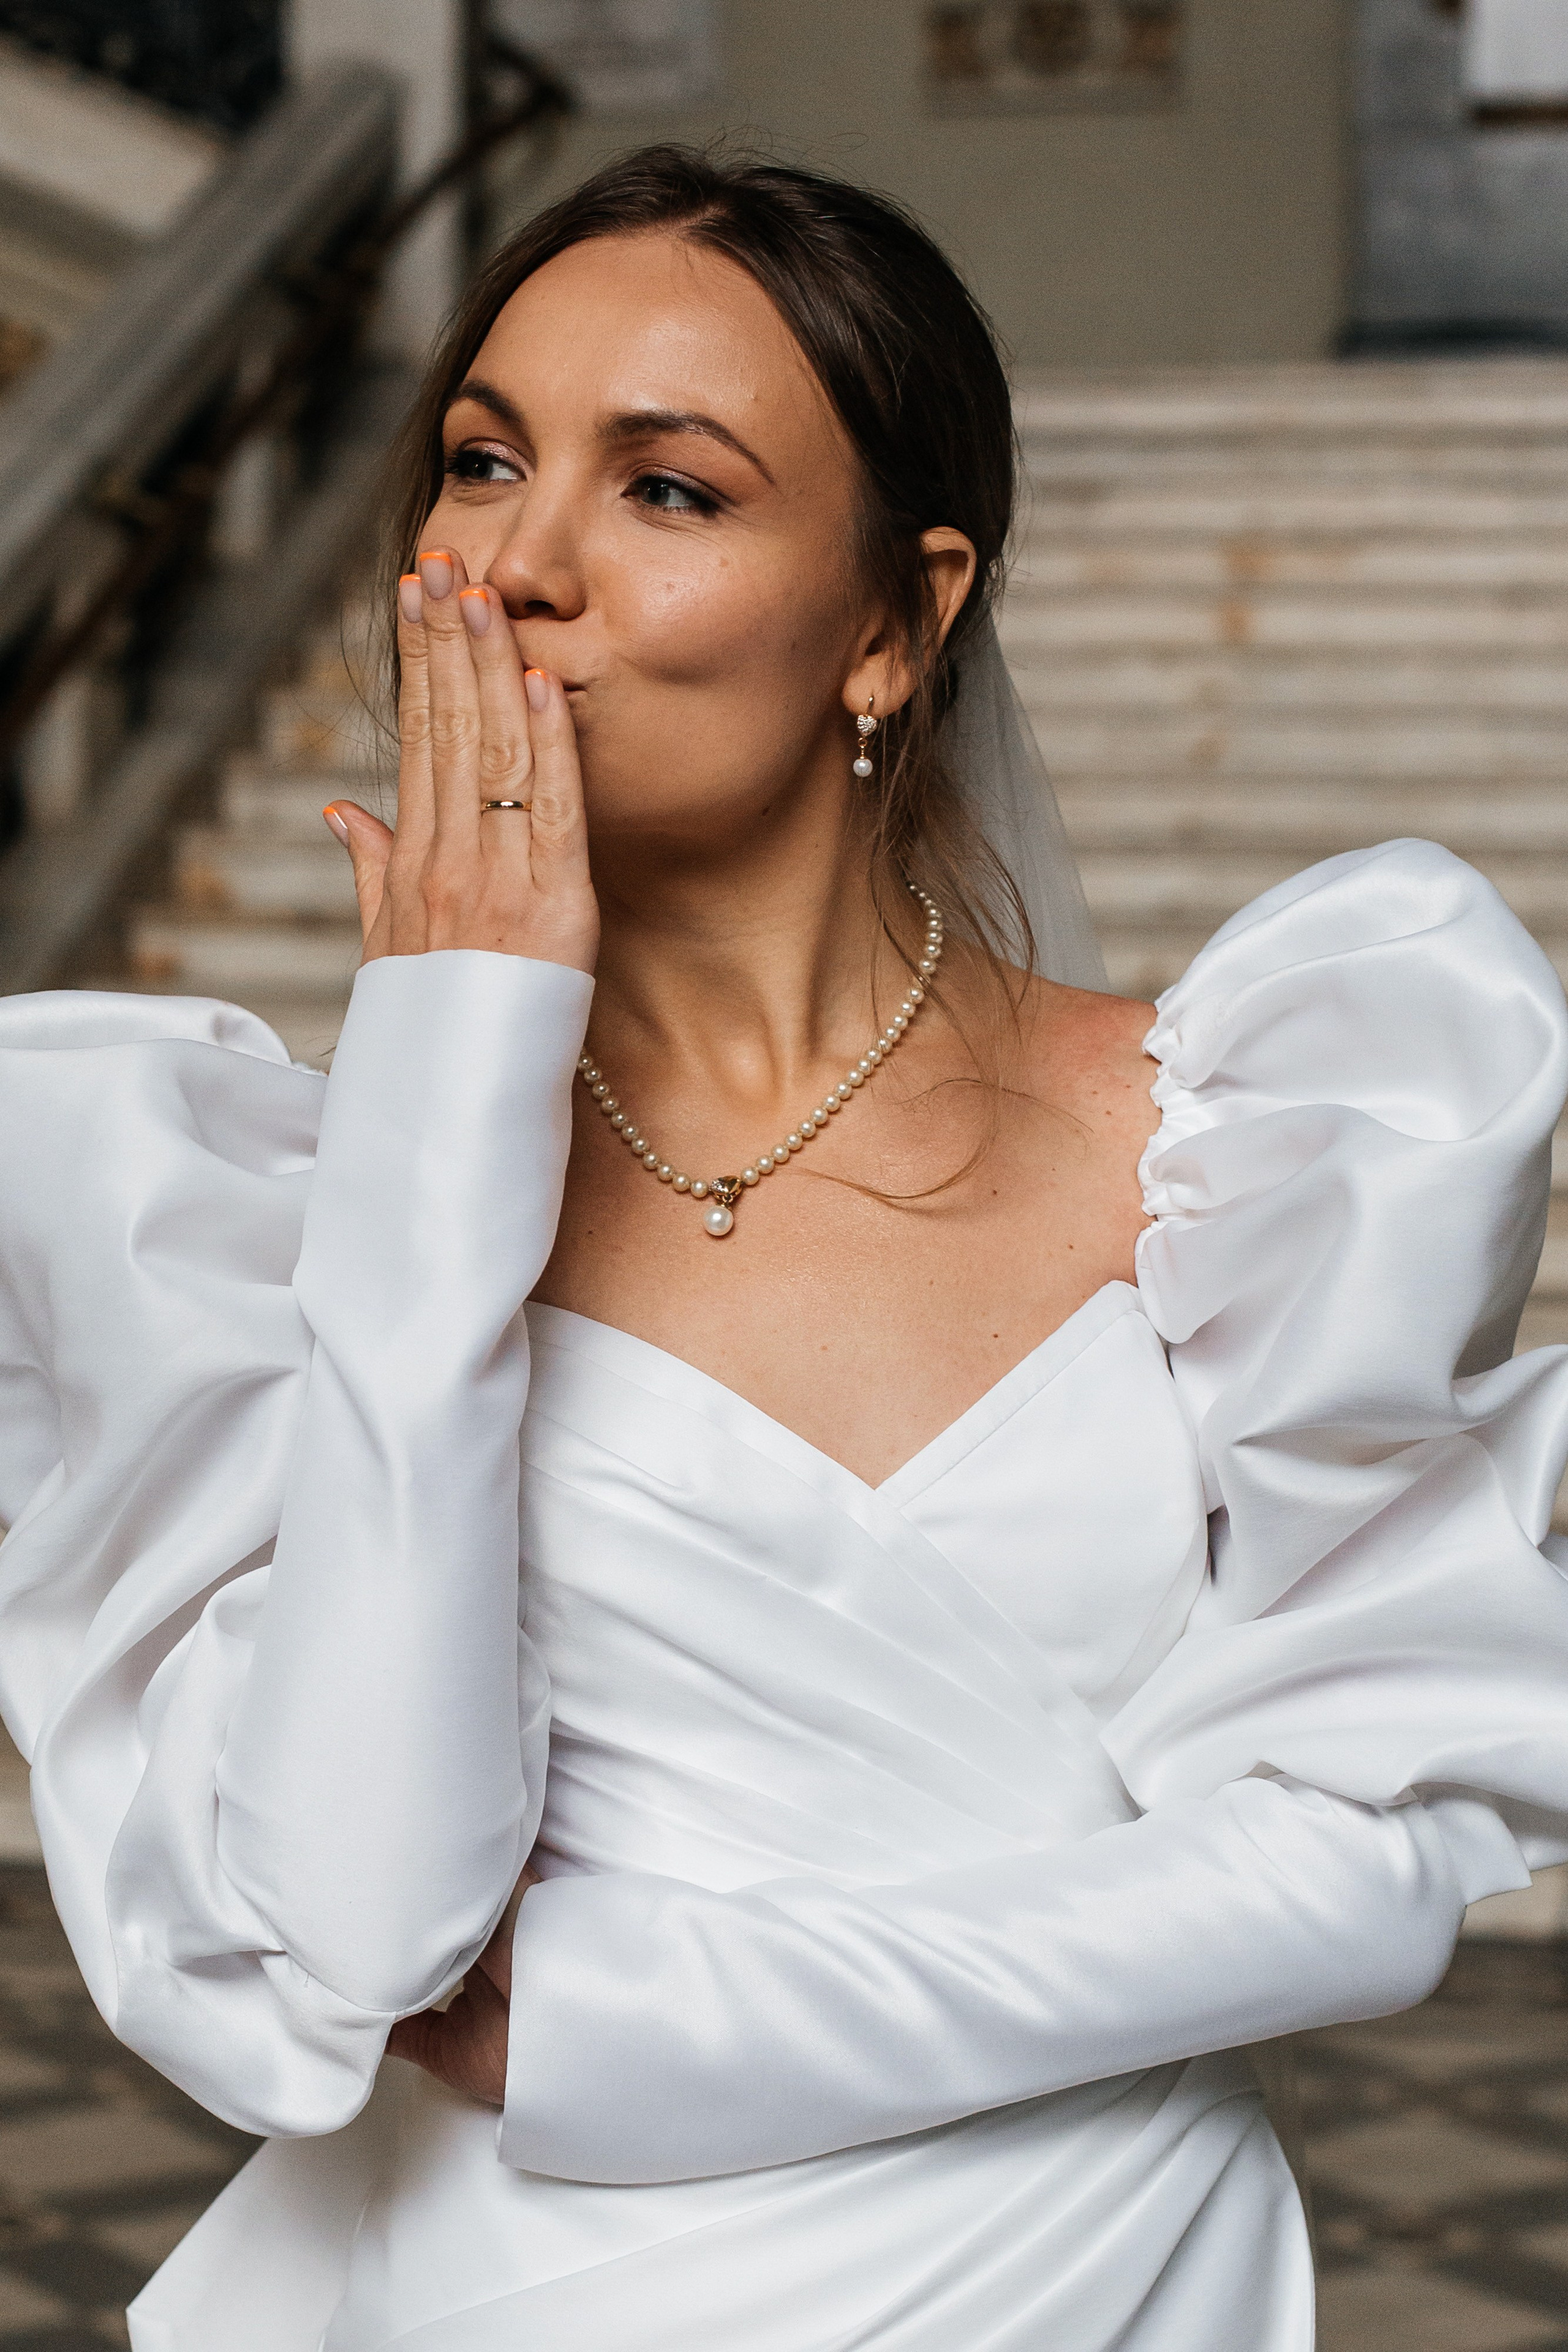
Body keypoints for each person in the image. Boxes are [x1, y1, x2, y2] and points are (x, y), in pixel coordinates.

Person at [2, 145, 1567, 2352]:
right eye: (478, 460)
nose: (514, 568)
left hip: (1089, 2282)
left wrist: (650, 2020)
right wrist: (449, 1080)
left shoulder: (1252, 1136)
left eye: (669, 491)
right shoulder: (269, 1215)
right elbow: (352, 1928)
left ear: (894, 625)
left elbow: (1379, 1860)